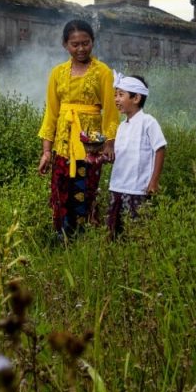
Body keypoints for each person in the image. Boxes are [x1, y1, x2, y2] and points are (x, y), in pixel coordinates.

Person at [37, 19, 118, 238]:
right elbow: (51, 113)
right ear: (65, 45)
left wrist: (109, 144)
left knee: (86, 190)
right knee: (61, 191)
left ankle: (85, 238)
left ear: (92, 42)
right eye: (75, 44)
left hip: (90, 147)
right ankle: (62, 237)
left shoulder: (103, 72)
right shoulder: (57, 73)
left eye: (85, 43)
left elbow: (111, 112)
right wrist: (47, 151)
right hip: (63, 145)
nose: (81, 49)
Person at [106, 74, 167, 239]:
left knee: (137, 233)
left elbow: (160, 149)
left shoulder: (148, 122)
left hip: (137, 188)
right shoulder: (121, 126)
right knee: (113, 232)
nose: (116, 99)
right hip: (117, 186)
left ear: (136, 98)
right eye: (115, 95)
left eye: (121, 95)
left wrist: (154, 181)